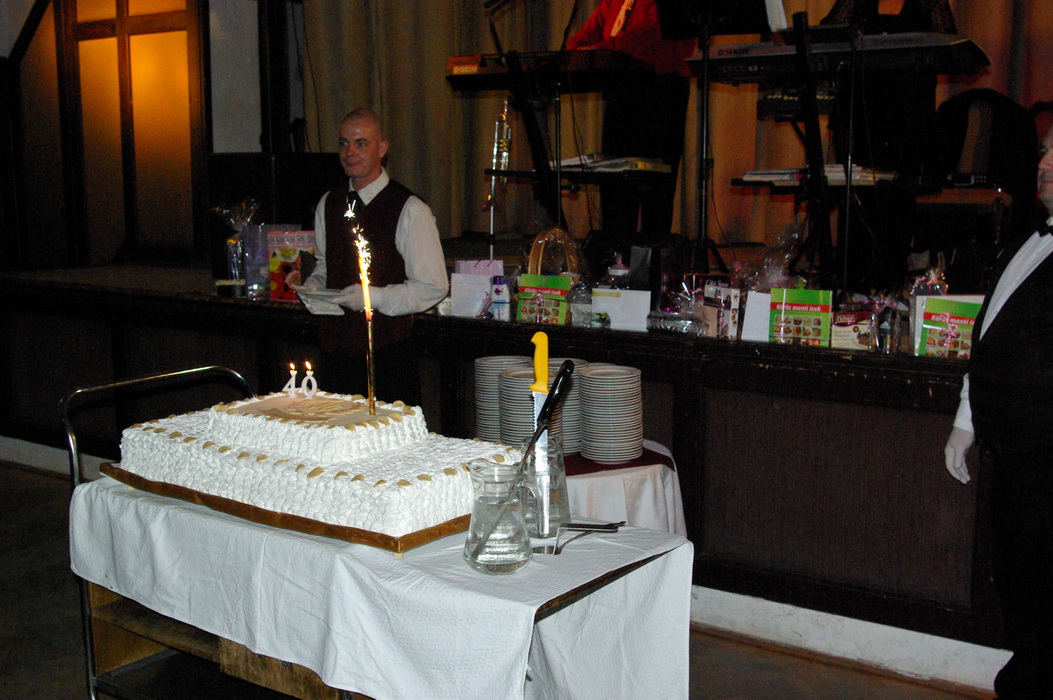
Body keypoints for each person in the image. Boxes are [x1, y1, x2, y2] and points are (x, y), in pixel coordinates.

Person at [944, 125, 1053, 700]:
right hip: (1012, 456)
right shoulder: (1025, 240)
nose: (1045, 163)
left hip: (1045, 457)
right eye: (1046, 151)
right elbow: (990, 343)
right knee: (1019, 588)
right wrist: (966, 423)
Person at [297, 108, 448, 403]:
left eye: (361, 143)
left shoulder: (410, 209)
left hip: (388, 356)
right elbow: (327, 263)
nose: (349, 152)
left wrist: (372, 298)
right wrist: (315, 284)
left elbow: (433, 287)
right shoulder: (329, 202)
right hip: (335, 352)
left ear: (382, 149)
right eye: (344, 143)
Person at [566, 0, 696, 267]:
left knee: (654, 183)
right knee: (615, 176)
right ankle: (616, 260)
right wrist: (573, 51)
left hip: (661, 88)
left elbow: (645, 36)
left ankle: (650, 265)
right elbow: (588, 33)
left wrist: (600, 49)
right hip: (622, 89)